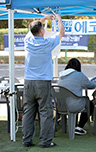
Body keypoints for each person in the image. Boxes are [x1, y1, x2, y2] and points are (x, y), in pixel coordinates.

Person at [23, 14, 65, 148]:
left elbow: (33, 29)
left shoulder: (27, 41)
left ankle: (27, 140)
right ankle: (46, 141)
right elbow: (61, 32)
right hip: (43, 82)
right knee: (45, 112)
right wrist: (58, 19)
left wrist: (43, 20)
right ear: (42, 31)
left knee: (28, 111)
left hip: (28, 82)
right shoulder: (48, 43)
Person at [58, 58, 96, 135]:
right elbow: (90, 86)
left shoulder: (61, 75)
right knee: (89, 104)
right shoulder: (79, 75)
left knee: (74, 99)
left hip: (61, 105)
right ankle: (79, 127)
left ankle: (73, 126)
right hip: (73, 105)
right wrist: (95, 82)